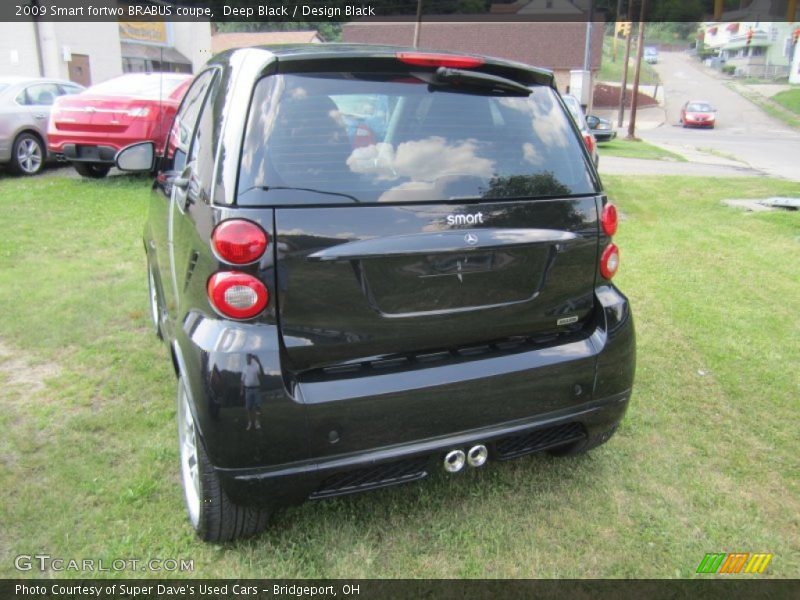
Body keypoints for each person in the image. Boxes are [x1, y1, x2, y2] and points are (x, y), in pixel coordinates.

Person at [242, 354, 263, 430]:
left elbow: (261, 374)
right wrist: (241, 390)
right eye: (247, 358)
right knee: (248, 407)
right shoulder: (244, 368)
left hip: (256, 389)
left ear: (251, 358)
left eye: (249, 357)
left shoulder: (256, 366)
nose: (248, 359)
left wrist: (259, 362)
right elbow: (242, 380)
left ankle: (257, 422)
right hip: (248, 390)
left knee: (258, 406)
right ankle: (250, 422)